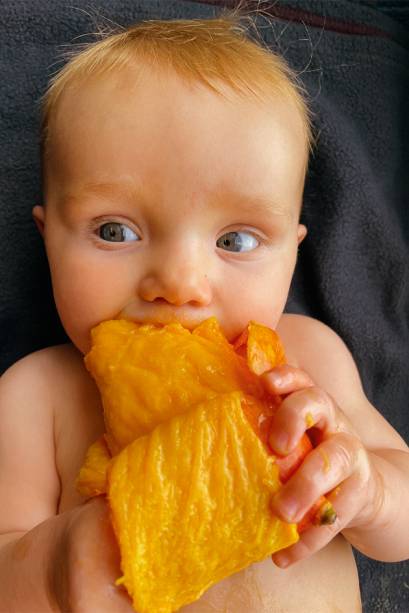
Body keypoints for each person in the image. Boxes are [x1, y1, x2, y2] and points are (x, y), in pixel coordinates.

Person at [0, 7, 408, 613]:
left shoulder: (310, 359)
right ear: (48, 238)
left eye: (236, 241)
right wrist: (60, 565)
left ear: (292, 255)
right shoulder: (37, 396)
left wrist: (371, 492)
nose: (180, 284)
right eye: (114, 230)